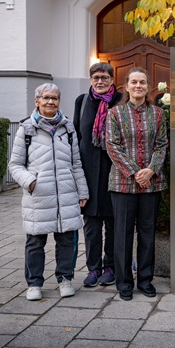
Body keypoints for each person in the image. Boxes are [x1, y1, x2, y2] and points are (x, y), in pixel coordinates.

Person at [9, 83, 88, 301]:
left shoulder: (68, 128)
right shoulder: (26, 129)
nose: (50, 102)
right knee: (35, 242)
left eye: (54, 98)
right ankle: (34, 283)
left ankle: (65, 279)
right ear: (37, 101)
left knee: (66, 240)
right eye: (46, 98)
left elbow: (76, 164)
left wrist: (82, 191)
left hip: (66, 194)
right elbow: (15, 165)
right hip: (39, 195)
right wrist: (31, 182)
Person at [105, 67, 168, 301]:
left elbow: (162, 144)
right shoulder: (115, 114)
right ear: (126, 86)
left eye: (142, 82)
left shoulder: (158, 114)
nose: (138, 86)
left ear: (148, 86)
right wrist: (135, 172)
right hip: (122, 185)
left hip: (151, 184)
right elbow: (112, 145)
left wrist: (150, 170)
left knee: (147, 234)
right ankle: (124, 282)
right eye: (134, 82)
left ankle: (145, 279)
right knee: (122, 235)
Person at [74, 63, 123, 287]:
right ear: (90, 79)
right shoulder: (82, 101)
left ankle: (111, 266)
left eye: (104, 77)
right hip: (88, 173)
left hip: (115, 172)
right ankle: (93, 268)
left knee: (114, 223)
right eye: (95, 78)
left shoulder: (121, 100)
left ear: (112, 79)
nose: (100, 82)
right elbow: (76, 135)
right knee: (91, 225)